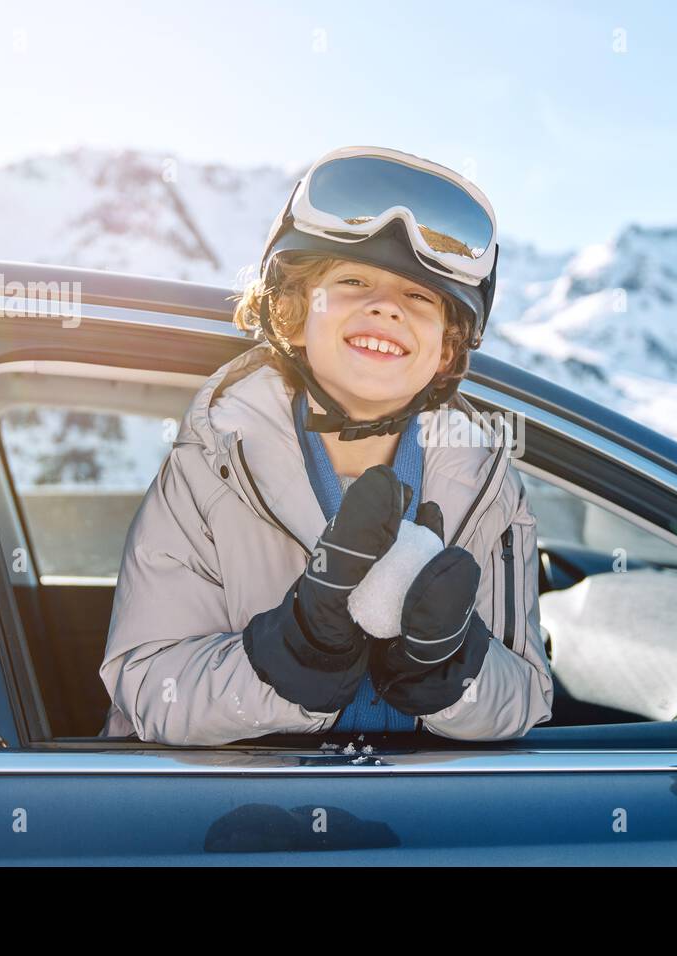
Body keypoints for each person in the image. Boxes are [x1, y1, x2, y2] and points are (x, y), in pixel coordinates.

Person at [98, 145, 554, 745]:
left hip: (419, 824)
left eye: (420, 298)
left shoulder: (487, 483)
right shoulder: (214, 463)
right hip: (236, 818)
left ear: (447, 348)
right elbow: (148, 688)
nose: (386, 306)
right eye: (353, 281)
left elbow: (525, 699)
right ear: (290, 316)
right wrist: (295, 655)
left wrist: (450, 668)